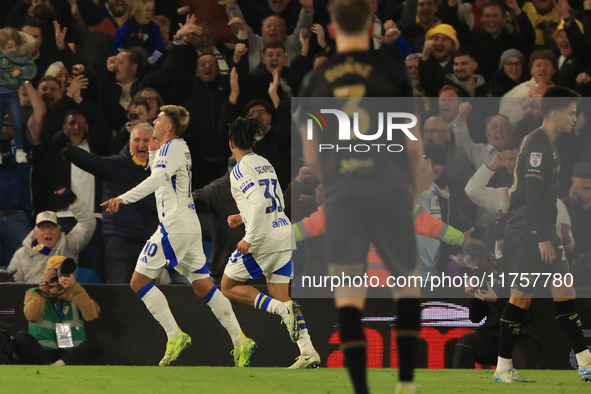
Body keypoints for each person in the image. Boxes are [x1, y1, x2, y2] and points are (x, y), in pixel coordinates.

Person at [298, 0, 423, 391]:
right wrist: (411, 187)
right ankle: (405, 384)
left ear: (332, 29)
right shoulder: (391, 71)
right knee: (407, 284)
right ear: (372, 26)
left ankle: (361, 390)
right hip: (389, 192)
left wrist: (331, 179)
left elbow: (311, 154)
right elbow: (413, 143)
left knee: (349, 293)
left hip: (343, 196)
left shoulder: (317, 81)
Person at [101, 105, 256, 368]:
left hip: (174, 225)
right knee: (202, 286)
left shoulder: (172, 148)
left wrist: (122, 198)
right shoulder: (172, 149)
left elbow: (156, 180)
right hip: (187, 224)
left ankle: (175, 335)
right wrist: (152, 153)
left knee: (138, 281)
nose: (155, 121)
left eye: (159, 119)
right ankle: (240, 339)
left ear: (169, 126)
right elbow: (161, 179)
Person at [494, 87, 591, 383]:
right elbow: (534, 194)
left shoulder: (547, 143)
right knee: (521, 298)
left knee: (564, 291)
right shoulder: (539, 144)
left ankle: (585, 361)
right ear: (556, 113)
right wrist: (542, 237)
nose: (575, 118)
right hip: (528, 233)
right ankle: (502, 368)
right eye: (573, 113)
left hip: (541, 232)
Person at [220, 118, 320, 369]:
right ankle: (308, 351)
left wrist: (248, 237)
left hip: (262, 239)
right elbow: (273, 201)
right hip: (283, 233)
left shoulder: (239, 169)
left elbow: (258, 202)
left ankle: (279, 310)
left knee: (228, 286)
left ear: (231, 143)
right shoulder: (265, 163)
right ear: (253, 142)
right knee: (281, 295)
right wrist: (241, 216)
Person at [62, 123, 159, 284]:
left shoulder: (161, 171)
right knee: (121, 294)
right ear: (130, 143)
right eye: (137, 140)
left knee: (148, 297)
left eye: (146, 140)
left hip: (150, 245)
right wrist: (67, 149)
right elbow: (91, 162)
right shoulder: (117, 165)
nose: (141, 145)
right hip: (121, 242)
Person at [13, 255, 103, 366]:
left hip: (69, 352)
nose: (60, 275)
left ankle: (57, 366)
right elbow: (31, 315)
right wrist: (44, 286)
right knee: (21, 338)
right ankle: (49, 365)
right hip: (43, 351)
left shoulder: (76, 293)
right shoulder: (34, 293)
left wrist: (75, 287)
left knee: (96, 342)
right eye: (56, 270)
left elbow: (92, 314)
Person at [8, 190, 96, 284]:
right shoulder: (21, 255)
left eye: (52, 227)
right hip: (33, 296)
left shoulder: (69, 245)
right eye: (43, 228)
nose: (48, 231)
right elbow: (12, 287)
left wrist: (73, 200)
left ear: (59, 230)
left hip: (63, 296)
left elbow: (88, 223)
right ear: (35, 232)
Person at [0, 27, 37, 164]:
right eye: (9, 47)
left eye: (16, 46)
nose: (13, 50)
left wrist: (20, 73)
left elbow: (31, 43)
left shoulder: (20, 60)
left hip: (11, 95)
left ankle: (20, 151)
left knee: (16, 122)